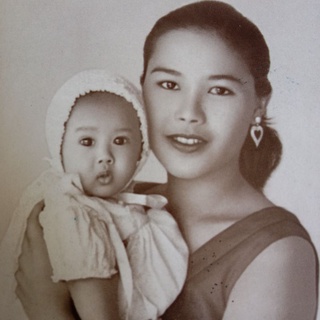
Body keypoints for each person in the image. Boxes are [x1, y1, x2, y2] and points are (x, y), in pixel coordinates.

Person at [12, 1, 319, 319]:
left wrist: (48, 309)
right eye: (169, 85)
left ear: (259, 106)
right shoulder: (105, 203)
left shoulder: (278, 254)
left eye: (219, 90)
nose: (189, 113)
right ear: (140, 91)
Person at [0, 70, 188, 320]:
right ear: (60, 147)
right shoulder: (71, 208)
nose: (105, 156)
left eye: (120, 141)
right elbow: (89, 279)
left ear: (141, 150)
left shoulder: (121, 206)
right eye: (87, 142)